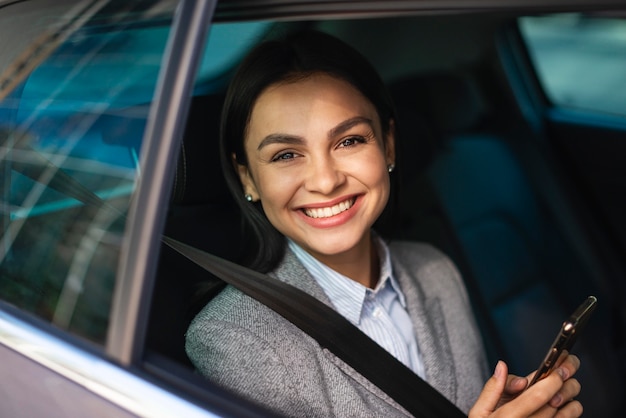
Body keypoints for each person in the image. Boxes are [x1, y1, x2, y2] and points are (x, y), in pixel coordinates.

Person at [185, 30, 582, 417]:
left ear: (388, 144)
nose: (325, 181)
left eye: (349, 141)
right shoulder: (234, 340)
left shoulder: (436, 270)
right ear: (248, 178)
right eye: (286, 155)